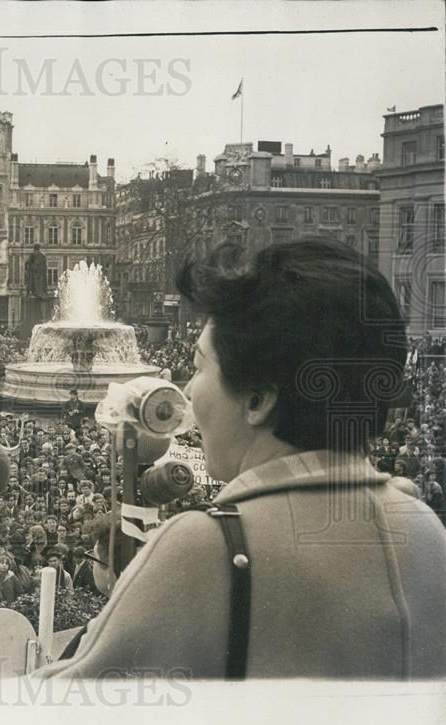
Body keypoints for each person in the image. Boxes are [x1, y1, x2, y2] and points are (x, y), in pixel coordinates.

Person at [38, 238, 446, 680]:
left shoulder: (204, 546)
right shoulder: (425, 528)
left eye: (199, 367)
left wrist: (118, 607)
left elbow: (52, 713)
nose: (189, 391)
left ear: (258, 400)